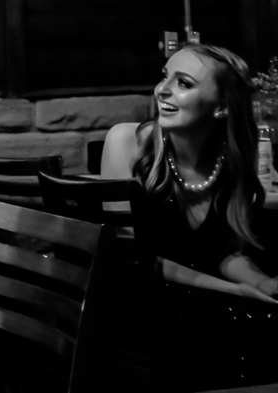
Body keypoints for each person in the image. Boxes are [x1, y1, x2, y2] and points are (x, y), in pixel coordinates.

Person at [102, 43, 278, 391]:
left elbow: (226, 253)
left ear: (222, 106)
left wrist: (262, 283)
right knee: (253, 329)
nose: (162, 90)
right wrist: (234, 290)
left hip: (198, 298)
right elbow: (132, 257)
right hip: (137, 303)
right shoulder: (126, 142)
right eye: (165, 76)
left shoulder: (231, 161)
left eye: (183, 83)